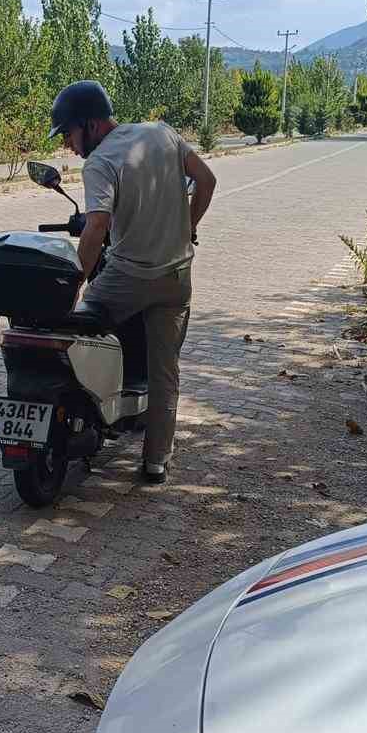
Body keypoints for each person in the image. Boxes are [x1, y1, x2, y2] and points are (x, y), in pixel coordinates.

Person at [49, 80, 217, 484]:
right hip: (176, 277)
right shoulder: (162, 133)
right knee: (165, 372)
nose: (69, 146)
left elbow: (97, 229)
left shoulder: (100, 162)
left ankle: (90, 415)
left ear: (90, 125)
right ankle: (156, 461)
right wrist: (187, 226)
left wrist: (73, 284)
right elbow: (207, 181)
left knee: (79, 330)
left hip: (126, 277)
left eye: (69, 134)